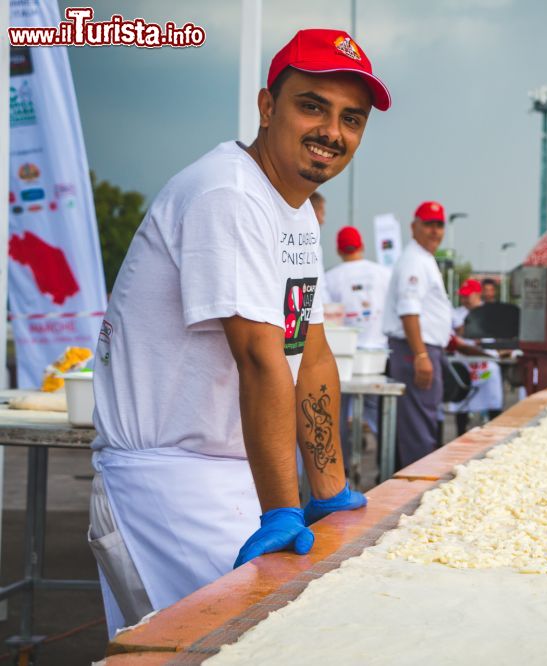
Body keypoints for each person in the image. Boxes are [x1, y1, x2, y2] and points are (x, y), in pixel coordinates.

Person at [87, 29, 390, 635]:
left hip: (227, 474)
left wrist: (330, 492)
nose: (332, 131)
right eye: (312, 106)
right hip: (169, 483)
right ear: (267, 106)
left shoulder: (296, 210)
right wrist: (282, 508)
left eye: (350, 118)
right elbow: (259, 356)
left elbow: (311, 353)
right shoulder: (227, 192)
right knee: (254, 642)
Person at [383, 201, 453, 469]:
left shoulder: (422, 258)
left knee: (422, 420)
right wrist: (421, 354)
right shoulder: (414, 260)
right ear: (414, 227)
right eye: (428, 224)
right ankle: (416, 488)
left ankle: (416, 481)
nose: (435, 231)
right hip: (414, 349)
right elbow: (408, 310)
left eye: (439, 225)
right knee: (418, 426)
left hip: (420, 348)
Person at [323, 225, 391, 469]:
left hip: (343, 357)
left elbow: (326, 316)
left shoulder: (331, 277)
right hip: (377, 357)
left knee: (337, 413)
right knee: (380, 414)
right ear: (361, 246)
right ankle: (385, 465)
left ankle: (339, 469)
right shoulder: (383, 273)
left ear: (339, 250)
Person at [449, 278, 503, 435]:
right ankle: (460, 434)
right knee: (461, 403)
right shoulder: (457, 314)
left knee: (493, 401)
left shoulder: (490, 312)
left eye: (468, 295)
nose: (464, 298)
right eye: (462, 295)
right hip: (465, 364)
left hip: (487, 364)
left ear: (477, 294)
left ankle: (494, 435)